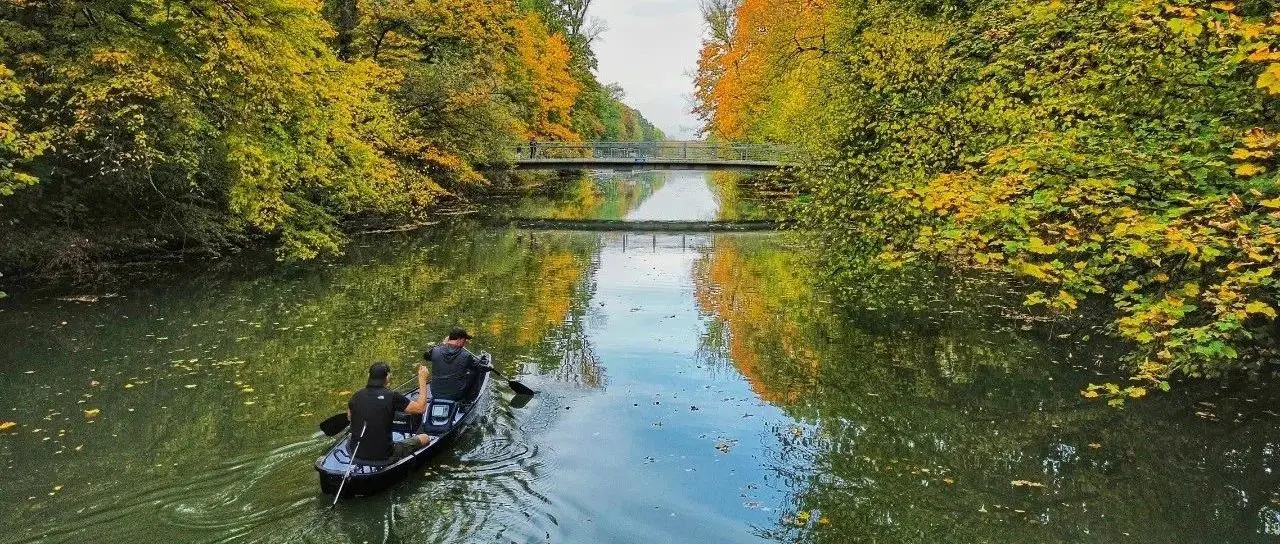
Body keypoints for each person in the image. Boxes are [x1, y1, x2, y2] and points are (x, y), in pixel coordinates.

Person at [346, 362, 432, 462]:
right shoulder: (392, 396)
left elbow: (350, 417)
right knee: (425, 437)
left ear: (368, 376)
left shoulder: (356, 396)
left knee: (350, 436)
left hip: (356, 453)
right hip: (385, 455)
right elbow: (420, 409)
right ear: (387, 377)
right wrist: (422, 380)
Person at [423, 327, 491, 402]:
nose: (465, 343)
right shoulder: (465, 356)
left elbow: (426, 356)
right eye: (464, 340)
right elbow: (479, 367)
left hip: (435, 393)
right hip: (456, 395)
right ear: (459, 339)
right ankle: (469, 399)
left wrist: (442, 344)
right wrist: (489, 367)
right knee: (474, 372)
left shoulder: (435, 351)